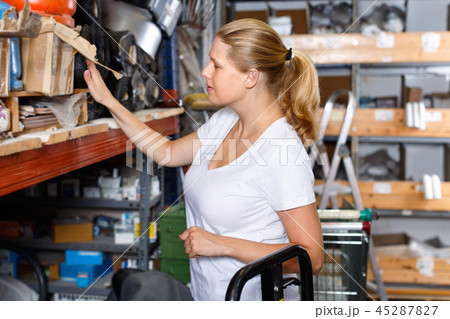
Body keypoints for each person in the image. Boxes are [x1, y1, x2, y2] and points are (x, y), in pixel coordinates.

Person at [84, 18, 324, 301]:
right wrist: (110, 102)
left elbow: (313, 257)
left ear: (251, 77)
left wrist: (223, 245)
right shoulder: (225, 120)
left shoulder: (282, 152)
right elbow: (167, 153)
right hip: (207, 296)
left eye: (217, 65)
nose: (205, 71)